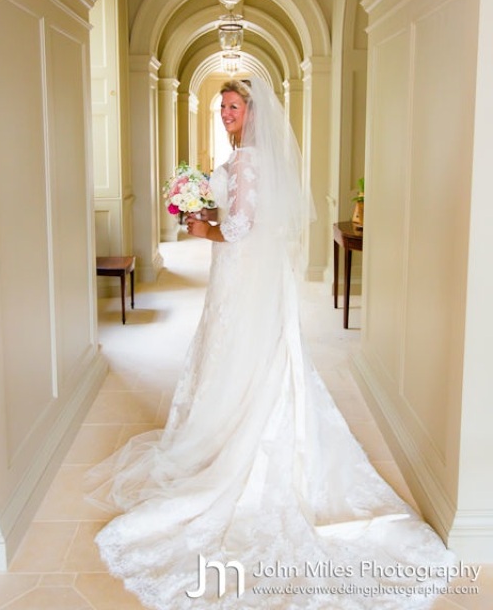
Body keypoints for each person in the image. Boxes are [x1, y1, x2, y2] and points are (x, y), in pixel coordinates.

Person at [87, 77, 455, 609]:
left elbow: (237, 232)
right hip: (244, 274)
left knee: (242, 353)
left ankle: (237, 438)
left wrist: (200, 227)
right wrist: (207, 214)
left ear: (252, 111)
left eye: (233, 107)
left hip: (241, 274)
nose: (226, 114)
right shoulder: (243, 159)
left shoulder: (247, 161)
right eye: (222, 108)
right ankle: (227, 425)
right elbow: (248, 221)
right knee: (243, 352)